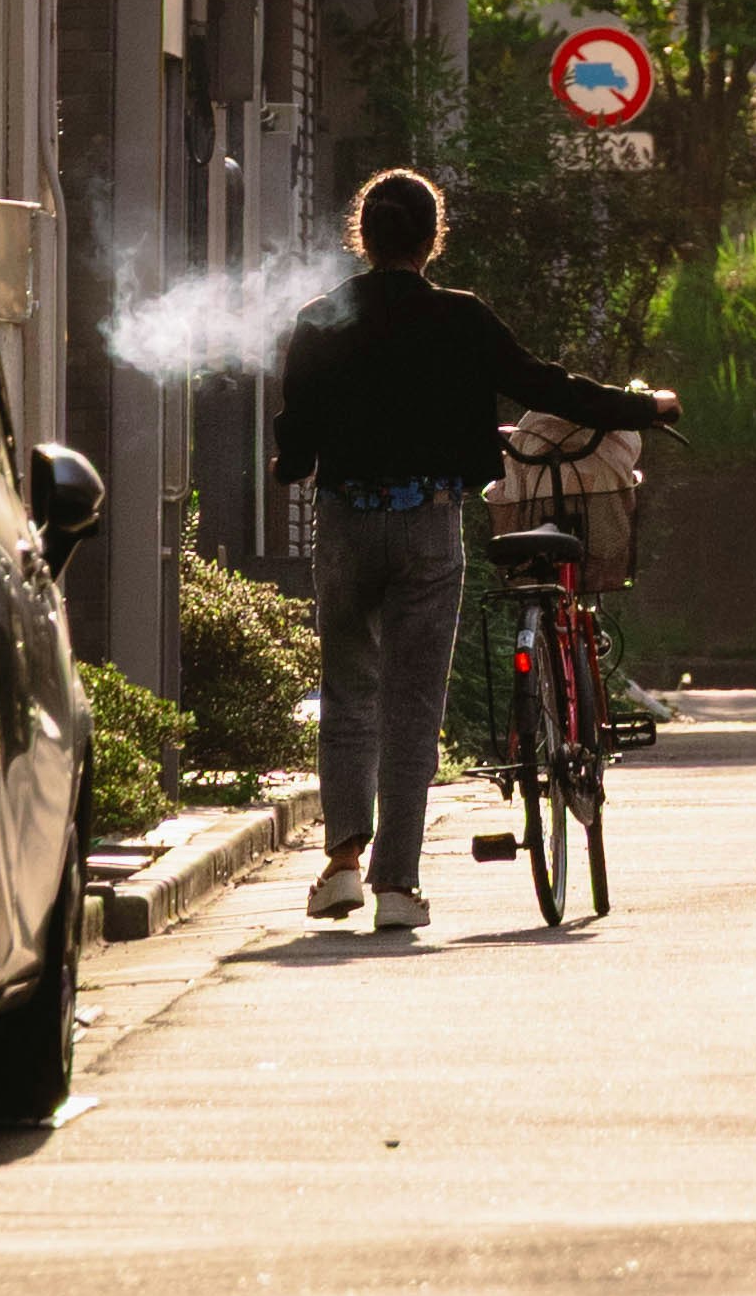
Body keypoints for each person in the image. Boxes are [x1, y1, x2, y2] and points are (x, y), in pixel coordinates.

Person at [268, 168, 678, 934]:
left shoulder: (319, 318)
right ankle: (398, 884)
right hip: (426, 523)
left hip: (346, 526)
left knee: (350, 691)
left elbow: (295, 440)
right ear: (433, 238)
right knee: (413, 701)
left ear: (364, 236)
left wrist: (292, 464)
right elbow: (543, 386)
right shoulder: (460, 319)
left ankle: (342, 866)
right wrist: (639, 408)